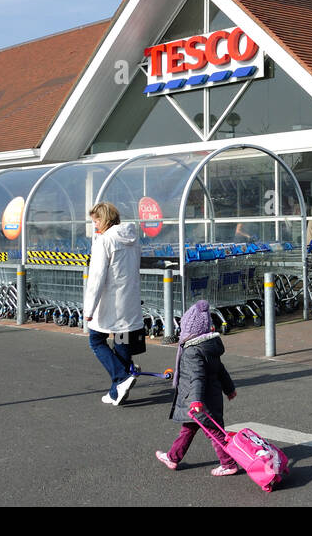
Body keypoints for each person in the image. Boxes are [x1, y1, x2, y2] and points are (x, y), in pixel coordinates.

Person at [155, 300, 239, 475]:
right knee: (188, 428)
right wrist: (229, 388)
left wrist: (196, 400)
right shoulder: (208, 347)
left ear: (190, 330)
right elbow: (221, 370)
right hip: (207, 398)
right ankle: (172, 457)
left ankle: (229, 463)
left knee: (214, 432)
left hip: (199, 401)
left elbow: (197, 378)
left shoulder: (193, 351)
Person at [84, 202, 144, 406]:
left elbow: (97, 277)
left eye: (96, 220)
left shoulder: (104, 241)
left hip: (110, 301)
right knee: (122, 343)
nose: (95, 225)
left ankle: (121, 378)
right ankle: (115, 391)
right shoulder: (133, 239)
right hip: (129, 300)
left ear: (105, 219)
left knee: (96, 340)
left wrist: (89, 309)